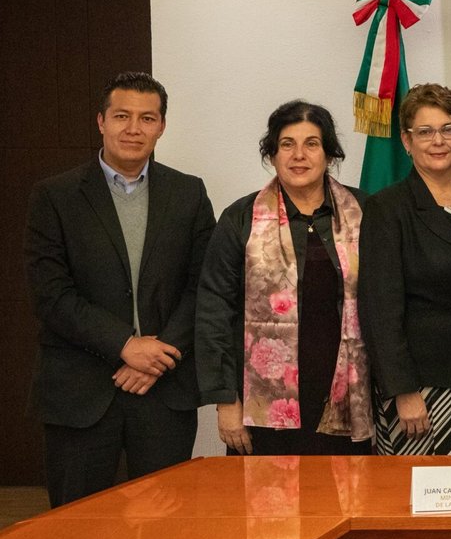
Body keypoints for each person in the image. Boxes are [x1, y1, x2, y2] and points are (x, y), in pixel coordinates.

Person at [26, 72, 215, 506]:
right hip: (80, 391)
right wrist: (125, 345)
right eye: (121, 116)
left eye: (147, 118)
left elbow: (204, 286)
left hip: (163, 390)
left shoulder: (188, 193)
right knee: (79, 525)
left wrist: (158, 355)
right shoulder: (54, 196)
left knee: (166, 526)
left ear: (162, 126)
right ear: (101, 121)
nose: (134, 129)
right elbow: (51, 294)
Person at [195, 100, 372, 455]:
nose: (298, 155)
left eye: (311, 144)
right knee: (265, 490)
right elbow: (214, 309)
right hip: (261, 400)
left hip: (348, 393)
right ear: (272, 154)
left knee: (345, 487)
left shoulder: (365, 211)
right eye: (287, 144)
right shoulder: (240, 218)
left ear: (329, 154)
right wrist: (226, 399)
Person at [357, 83, 451, 455]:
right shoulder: (387, 207)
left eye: (448, 129)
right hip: (423, 387)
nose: (438, 141)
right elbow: (379, 307)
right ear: (407, 140)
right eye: (425, 132)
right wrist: (403, 389)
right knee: (421, 487)